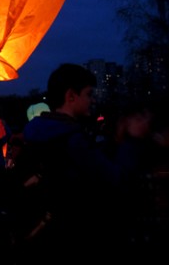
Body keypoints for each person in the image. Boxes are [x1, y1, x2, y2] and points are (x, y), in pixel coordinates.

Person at [17, 63, 145, 265]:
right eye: (88, 94)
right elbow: (117, 180)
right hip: (78, 240)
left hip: (47, 238)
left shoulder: (37, 134)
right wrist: (133, 140)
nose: (92, 100)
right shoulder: (73, 139)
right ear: (71, 96)